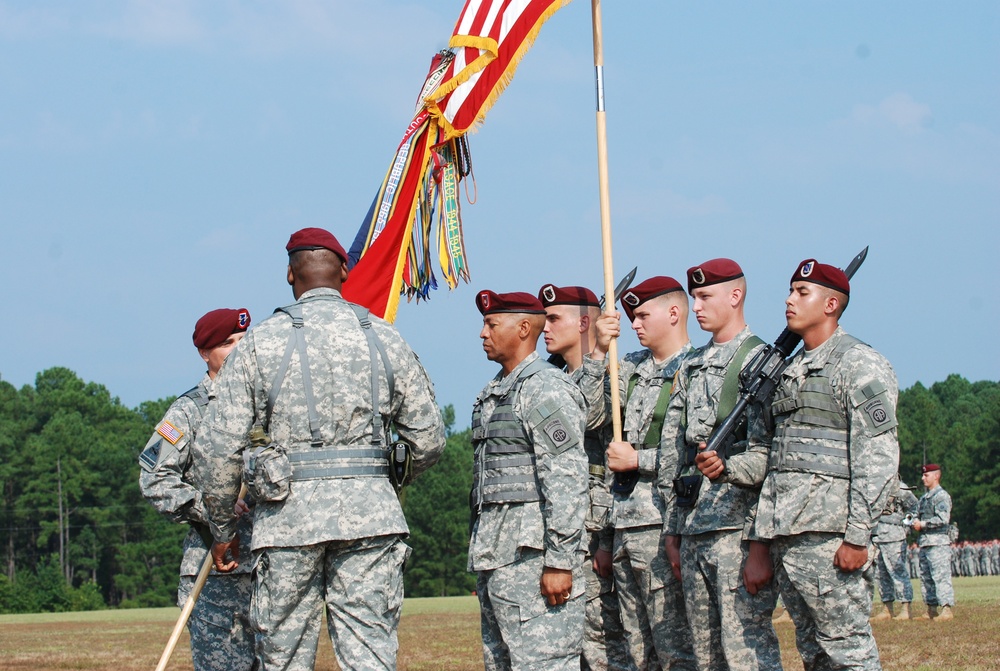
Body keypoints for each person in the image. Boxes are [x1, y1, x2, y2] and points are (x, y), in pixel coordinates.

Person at [192, 227, 446, 671]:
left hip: (287, 523)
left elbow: (217, 452)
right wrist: (380, 478)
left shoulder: (260, 343)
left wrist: (223, 530)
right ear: (344, 271)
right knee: (370, 655)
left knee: (285, 658)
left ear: (290, 274)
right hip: (371, 519)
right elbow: (428, 438)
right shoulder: (383, 337)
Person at [701, 258, 900, 670]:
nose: (789, 300)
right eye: (790, 290)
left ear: (831, 305)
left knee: (847, 651)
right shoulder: (785, 373)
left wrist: (858, 536)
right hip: (788, 536)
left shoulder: (858, 363)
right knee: (813, 653)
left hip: (831, 537)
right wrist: (728, 468)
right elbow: (769, 460)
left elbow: (878, 456)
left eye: (801, 292)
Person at [661, 259, 781, 671]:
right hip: (695, 530)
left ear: (735, 296)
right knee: (705, 656)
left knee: (747, 655)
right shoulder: (690, 365)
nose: (696, 306)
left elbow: (771, 460)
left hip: (738, 533)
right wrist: (673, 529)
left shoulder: (762, 362)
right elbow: (676, 459)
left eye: (705, 296)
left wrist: (761, 545)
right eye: (693, 297)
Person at [579, 276, 696, 671]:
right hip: (625, 523)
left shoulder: (695, 369)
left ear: (674, 313)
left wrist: (639, 461)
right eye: (631, 316)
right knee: (637, 650)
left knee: (675, 648)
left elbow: (696, 453)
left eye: (644, 314)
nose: (634, 324)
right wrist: (596, 351)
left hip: (665, 524)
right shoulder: (628, 369)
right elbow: (589, 416)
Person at [469, 290, 589, 671]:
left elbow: (567, 479)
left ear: (523, 328)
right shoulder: (494, 393)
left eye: (491, 324)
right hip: (499, 562)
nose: (482, 333)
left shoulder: (544, 388)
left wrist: (561, 562)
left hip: (535, 564)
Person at [139, 308, 255, 671]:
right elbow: (154, 478)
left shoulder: (270, 406)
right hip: (215, 569)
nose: (238, 350)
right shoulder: (188, 412)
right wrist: (211, 508)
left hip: (272, 564)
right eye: (227, 344)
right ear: (205, 354)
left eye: (243, 341)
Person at [538, 283, 629, 671]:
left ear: (584, 323)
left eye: (554, 318)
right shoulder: (549, 379)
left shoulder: (614, 373)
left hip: (596, 530)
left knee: (602, 646)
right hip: (561, 528)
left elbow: (585, 418)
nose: (544, 327)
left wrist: (598, 355)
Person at [870, 476, 918, 620]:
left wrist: (906, 523)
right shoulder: (875, 486)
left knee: (898, 572)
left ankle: (905, 607)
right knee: (881, 574)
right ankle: (887, 607)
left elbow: (914, 508)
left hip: (895, 535)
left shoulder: (901, 488)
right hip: (877, 535)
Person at [912, 463, 955, 620]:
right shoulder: (924, 499)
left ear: (936, 476)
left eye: (926, 475)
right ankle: (931, 608)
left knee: (940, 575)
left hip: (938, 543)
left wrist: (922, 524)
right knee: (926, 577)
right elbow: (916, 514)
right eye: (923, 475)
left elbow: (943, 519)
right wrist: (913, 520)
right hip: (925, 542)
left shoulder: (941, 496)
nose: (923, 478)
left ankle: (946, 609)